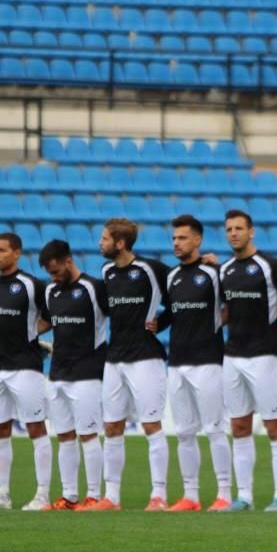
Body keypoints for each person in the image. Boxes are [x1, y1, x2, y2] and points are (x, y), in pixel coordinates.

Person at [218, 209, 277, 512]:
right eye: (229, 229)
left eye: (239, 228)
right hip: (233, 355)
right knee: (239, 427)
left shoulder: (270, 266)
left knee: (274, 426)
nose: (233, 233)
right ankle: (245, 497)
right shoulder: (224, 270)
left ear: (251, 232)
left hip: (264, 354)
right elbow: (226, 310)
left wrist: (276, 313)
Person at [98, 218, 172, 512]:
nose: (100, 243)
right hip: (114, 359)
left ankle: (159, 495)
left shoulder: (150, 270)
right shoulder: (106, 272)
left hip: (146, 357)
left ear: (120, 243)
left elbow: (179, 297)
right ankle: (112, 497)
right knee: (112, 426)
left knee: (151, 424)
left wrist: (162, 323)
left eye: (104, 239)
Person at [0, 233, 53, 512]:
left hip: (26, 367)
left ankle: (42, 494)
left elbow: (51, 316)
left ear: (17, 253)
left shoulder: (32, 285)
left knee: (35, 427)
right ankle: (2, 495)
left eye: (2, 250)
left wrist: (32, 334)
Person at [163, 215, 232, 512]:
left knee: (214, 428)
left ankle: (225, 493)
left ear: (197, 240)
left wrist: (217, 266)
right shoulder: (172, 276)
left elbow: (231, 305)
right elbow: (173, 312)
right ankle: (190, 495)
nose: (176, 243)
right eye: (174, 238)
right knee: (184, 431)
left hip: (208, 361)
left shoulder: (214, 273)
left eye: (182, 238)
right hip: (177, 362)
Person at [39, 239, 108, 511]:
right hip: (57, 373)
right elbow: (46, 322)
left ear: (69, 261)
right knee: (65, 436)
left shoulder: (93, 288)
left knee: (88, 434)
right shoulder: (51, 291)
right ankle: (69, 497)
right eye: (50, 274)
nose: (54, 278)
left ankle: (93, 495)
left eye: (56, 271)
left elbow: (120, 314)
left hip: (88, 372)